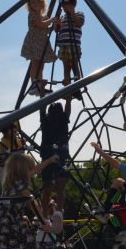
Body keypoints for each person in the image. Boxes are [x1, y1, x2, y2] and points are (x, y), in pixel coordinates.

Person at [40, 97, 71, 233]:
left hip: (47, 155)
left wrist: (42, 93)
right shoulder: (63, 120)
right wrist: (68, 98)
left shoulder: (46, 121)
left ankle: (45, 217)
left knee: (47, 188)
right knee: (60, 189)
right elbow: (68, 108)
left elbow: (42, 108)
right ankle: (58, 212)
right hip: (60, 155)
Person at [21, 0, 57, 96]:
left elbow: (45, 30)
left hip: (42, 42)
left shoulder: (43, 17)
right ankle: (33, 85)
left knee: (41, 65)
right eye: (32, 3)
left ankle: (39, 85)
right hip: (34, 42)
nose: (35, 5)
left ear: (42, 4)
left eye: (37, 3)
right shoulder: (32, 15)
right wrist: (52, 20)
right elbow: (40, 25)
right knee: (35, 63)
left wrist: (53, 27)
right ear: (30, 6)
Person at [54, 0, 85, 98]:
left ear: (72, 5)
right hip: (63, 45)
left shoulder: (79, 14)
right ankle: (67, 89)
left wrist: (71, 12)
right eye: (63, 6)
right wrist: (57, 20)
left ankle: (77, 87)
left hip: (74, 45)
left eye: (66, 5)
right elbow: (56, 30)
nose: (64, 8)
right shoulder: (62, 17)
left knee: (75, 65)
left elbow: (79, 23)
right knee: (66, 68)